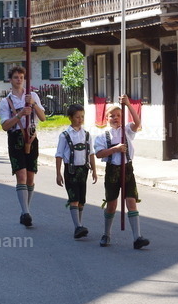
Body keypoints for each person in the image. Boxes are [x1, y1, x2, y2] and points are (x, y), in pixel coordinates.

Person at [93, 95, 147, 249]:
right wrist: (115, 149)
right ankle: (106, 234)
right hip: (112, 171)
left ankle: (137, 237)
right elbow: (99, 154)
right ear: (106, 118)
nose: (115, 118)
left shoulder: (127, 130)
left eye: (118, 115)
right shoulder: (103, 136)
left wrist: (129, 105)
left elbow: (138, 122)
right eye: (112, 116)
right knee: (111, 204)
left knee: (131, 201)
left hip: (127, 169)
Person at [0, 66, 46, 227]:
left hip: (31, 137)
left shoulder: (32, 96)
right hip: (16, 138)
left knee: (31, 177)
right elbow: (5, 126)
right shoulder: (6, 101)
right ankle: (25, 212)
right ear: (10, 80)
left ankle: (26, 208)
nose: (19, 80)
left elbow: (43, 117)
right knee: (21, 176)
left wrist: (33, 105)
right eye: (16, 77)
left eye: (21, 77)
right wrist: (19, 114)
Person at [55, 103, 97, 240]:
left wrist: (94, 171)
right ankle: (77, 226)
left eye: (82, 117)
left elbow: (91, 153)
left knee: (81, 200)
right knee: (74, 198)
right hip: (71, 170)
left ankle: (79, 225)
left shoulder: (86, 135)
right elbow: (59, 155)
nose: (80, 119)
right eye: (77, 117)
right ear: (71, 118)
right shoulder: (65, 135)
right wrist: (58, 173)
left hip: (83, 170)